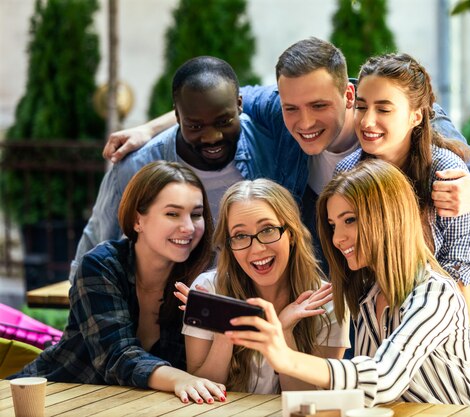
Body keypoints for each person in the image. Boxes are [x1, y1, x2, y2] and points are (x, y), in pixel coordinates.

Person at [103, 38, 470, 231]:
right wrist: (150, 127)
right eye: (292, 108)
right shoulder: (282, 105)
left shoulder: (409, 117)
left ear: (348, 94)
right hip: (350, 305)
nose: (303, 123)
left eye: (320, 106)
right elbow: (229, 100)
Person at [219, 159, 470, 407]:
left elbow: (384, 378)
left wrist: (286, 358)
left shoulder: (436, 293)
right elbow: (365, 397)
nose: (337, 238)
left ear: (388, 218)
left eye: (349, 220)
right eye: (332, 226)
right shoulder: (368, 298)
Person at [335, 53, 470, 393]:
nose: (367, 120)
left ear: (416, 116)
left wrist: (460, 367)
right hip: (398, 317)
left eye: (383, 109)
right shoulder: (348, 174)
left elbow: (459, 277)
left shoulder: (446, 174)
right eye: (361, 107)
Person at [70, 55, 307, 280]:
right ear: (177, 116)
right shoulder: (136, 167)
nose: (212, 137)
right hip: (168, 309)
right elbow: (95, 246)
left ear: (239, 105)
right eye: (195, 126)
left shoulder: (268, 144)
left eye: (224, 122)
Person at [10, 161, 226, 404]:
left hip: (132, 407)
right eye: (172, 214)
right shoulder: (100, 265)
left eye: (196, 214)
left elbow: (203, 371)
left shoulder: (201, 281)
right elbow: (116, 355)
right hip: (52, 398)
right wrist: (179, 379)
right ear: (137, 220)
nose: (188, 227)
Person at [173, 179, 349, 394]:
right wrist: (225, 332)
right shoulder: (208, 289)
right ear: (230, 246)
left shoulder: (326, 299)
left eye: (267, 230)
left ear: (291, 234)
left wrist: (284, 332)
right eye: (240, 236)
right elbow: (202, 389)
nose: (257, 249)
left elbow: (311, 402)